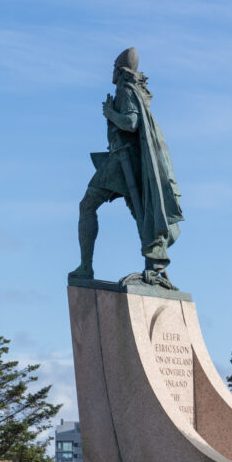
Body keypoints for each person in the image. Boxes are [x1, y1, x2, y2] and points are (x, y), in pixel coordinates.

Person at [68, 47, 183, 288]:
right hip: (130, 162)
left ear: (119, 70)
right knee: (141, 214)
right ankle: (153, 266)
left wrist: (110, 113)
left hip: (123, 162)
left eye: (113, 68)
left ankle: (85, 267)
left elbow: (131, 122)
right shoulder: (138, 89)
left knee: (87, 205)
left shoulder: (125, 88)